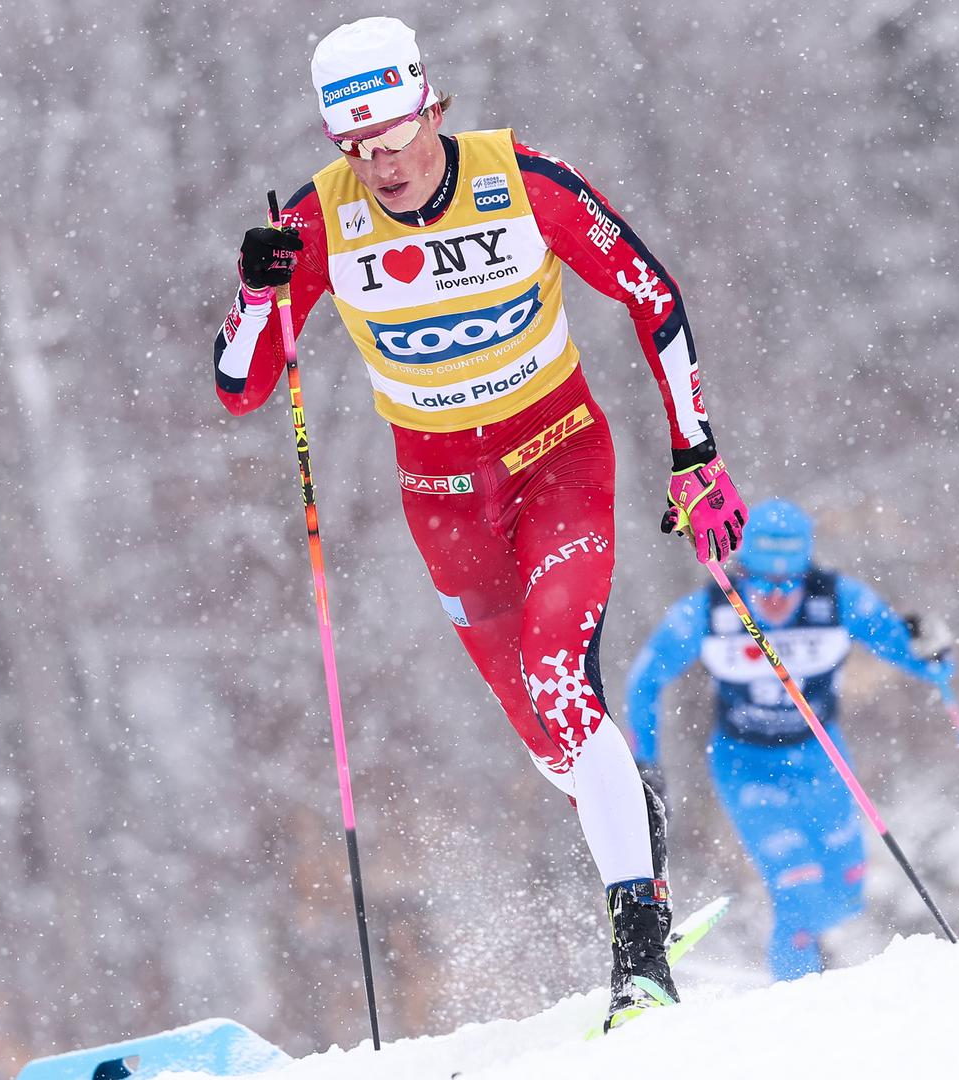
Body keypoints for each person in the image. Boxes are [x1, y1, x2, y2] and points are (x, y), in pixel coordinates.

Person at [211, 17, 748, 1029]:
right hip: (443, 496)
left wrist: (697, 452)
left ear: (431, 107)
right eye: (357, 148)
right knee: (547, 734)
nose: (385, 165)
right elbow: (242, 387)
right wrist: (257, 293)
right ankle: (631, 808)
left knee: (561, 676)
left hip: (558, 457)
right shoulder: (320, 223)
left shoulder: (522, 180)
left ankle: (639, 955)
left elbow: (652, 295)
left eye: (396, 135)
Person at [623, 499, 954, 981]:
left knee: (846, 885)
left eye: (788, 584)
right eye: (763, 583)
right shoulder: (711, 609)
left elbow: (918, 657)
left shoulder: (837, 599)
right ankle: (797, 985)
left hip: (820, 756)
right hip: (745, 764)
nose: (775, 597)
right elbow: (644, 680)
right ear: (744, 570)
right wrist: (644, 761)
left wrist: (934, 651)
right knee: (796, 879)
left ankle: (812, 951)